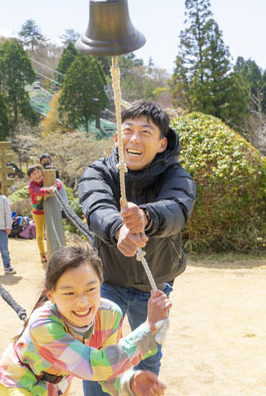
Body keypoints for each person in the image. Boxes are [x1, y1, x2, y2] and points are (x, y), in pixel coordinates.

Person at [78, 100, 196, 394]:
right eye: (128, 130)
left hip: (155, 285)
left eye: (145, 132)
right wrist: (118, 229)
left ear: (161, 143)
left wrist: (145, 217)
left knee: (148, 357)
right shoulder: (98, 171)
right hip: (107, 282)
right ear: (117, 138)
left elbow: (177, 208)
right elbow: (96, 205)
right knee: (96, 358)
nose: (134, 139)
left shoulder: (177, 176)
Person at [0, 245, 171, 396]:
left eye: (91, 289)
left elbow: (105, 373)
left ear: (101, 285)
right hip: (18, 382)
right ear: (51, 295)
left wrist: (129, 382)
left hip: (55, 386)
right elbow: (93, 364)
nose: (82, 302)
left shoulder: (109, 316)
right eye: (69, 293)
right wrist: (149, 327)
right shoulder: (43, 325)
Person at [27, 165, 62, 264]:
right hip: (38, 212)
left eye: (38, 172)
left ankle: (52, 252)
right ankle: (42, 253)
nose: (37, 175)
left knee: (51, 232)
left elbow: (58, 182)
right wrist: (48, 190)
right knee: (40, 234)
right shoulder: (31, 185)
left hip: (49, 210)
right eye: (34, 174)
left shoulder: (46, 180)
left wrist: (56, 186)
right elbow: (38, 191)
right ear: (30, 177)